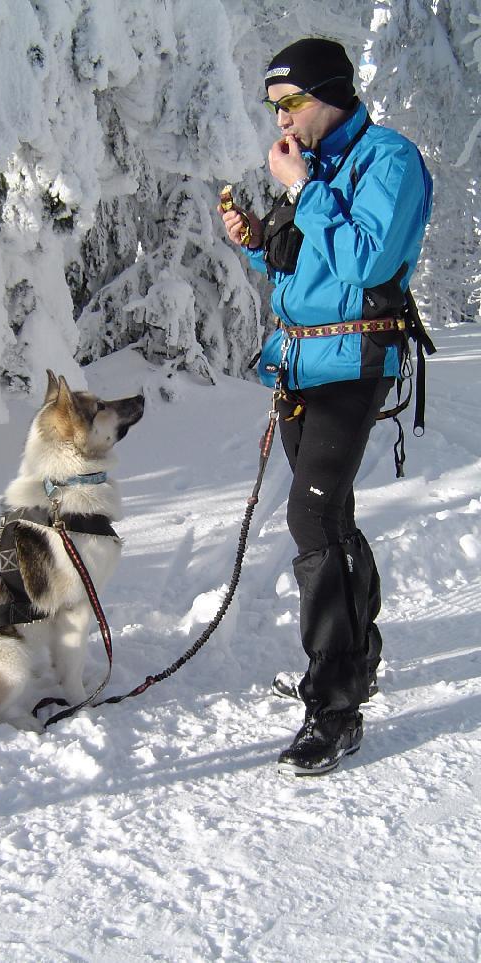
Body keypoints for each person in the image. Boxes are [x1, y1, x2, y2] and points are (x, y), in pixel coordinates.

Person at [219, 38, 432, 775]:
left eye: (290, 102)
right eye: (273, 105)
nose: (279, 116)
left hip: (356, 359)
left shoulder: (389, 161)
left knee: (309, 515)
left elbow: (366, 260)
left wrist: (305, 189)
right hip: (300, 359)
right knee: (330, 515)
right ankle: (358, 655)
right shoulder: (315, 169)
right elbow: (301, 262)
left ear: (329, 93)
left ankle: (335, 705)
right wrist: (255, 241)